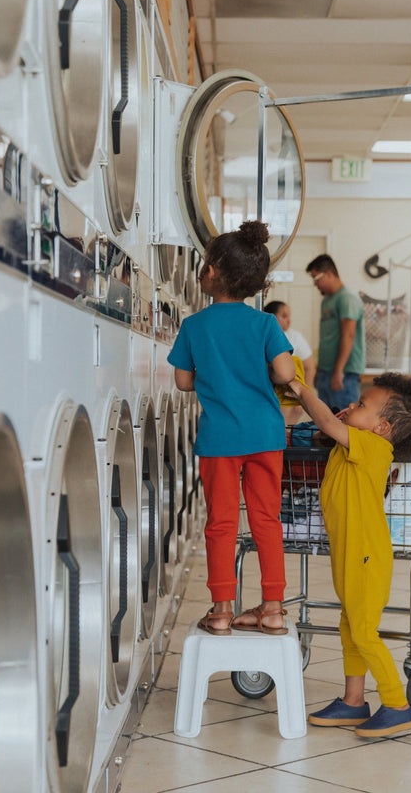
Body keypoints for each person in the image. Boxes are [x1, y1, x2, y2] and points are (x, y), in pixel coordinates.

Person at [287, 372, 411, 737]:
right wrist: (337, 419)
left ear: (382, 427)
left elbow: (323, 419)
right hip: (350, 555)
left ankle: (398, 705)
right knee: (350, 627)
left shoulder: (373, 448)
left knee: (364, 632)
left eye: (361, 405)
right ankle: (354, 702)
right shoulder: (349, 445)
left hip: (367, 557)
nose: (351, 406)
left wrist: (300, 389)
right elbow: (326, 428)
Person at [168, 221, 296, 636]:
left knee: (221, 523)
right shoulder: (264, 324)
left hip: (220, 439)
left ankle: (222, 608)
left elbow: (184, 382)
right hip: (265, 435)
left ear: (212, 272)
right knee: (267, 520)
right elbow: (284, 372)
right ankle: (273, 607)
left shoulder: (193, 326)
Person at [306, 254, 365, 412]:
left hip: (343, 374)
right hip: (326, 371)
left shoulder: (347, 299)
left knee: (343, 423)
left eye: (316, 278)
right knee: (324, 422)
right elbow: (327, 338)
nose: (315, 284)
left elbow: (349, 335)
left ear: (329, 274)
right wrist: (319, 369)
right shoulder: (327, 301)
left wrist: (339, 371)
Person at [263, 300, 316, 425]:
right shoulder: (262, 336)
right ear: (271, 316)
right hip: (265, 395)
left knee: (285, 432)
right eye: (284, 316)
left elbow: (309, 367)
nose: (289, 320)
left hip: (288, 396)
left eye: (289, 316)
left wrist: (304, 397)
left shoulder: (295, 337)